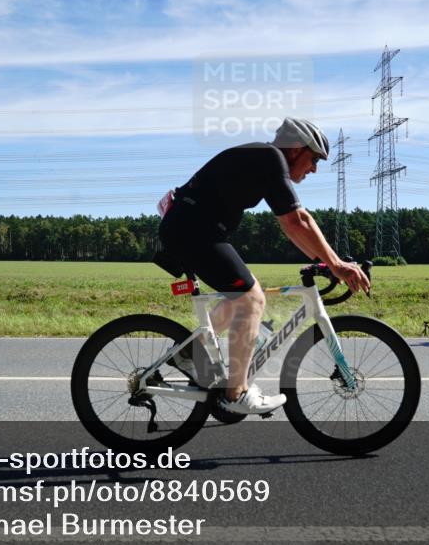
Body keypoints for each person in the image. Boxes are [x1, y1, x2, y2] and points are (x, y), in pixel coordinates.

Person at [158, 117, 370, 415]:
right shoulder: (271, 159)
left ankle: (188, 354)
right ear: (296, 149)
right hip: (193, 231)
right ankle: (236, 393)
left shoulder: (265, 162)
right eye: (313, 159)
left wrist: (325, 262)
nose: (314, 169)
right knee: (251, 298)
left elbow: (295, 225)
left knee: (243, 295)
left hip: (193, 229)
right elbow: (297, 222)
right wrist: (335, 265)